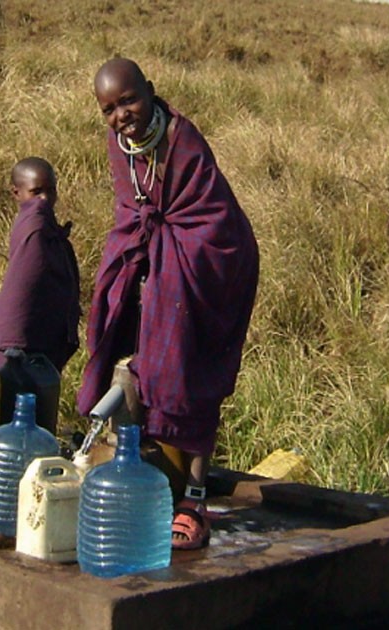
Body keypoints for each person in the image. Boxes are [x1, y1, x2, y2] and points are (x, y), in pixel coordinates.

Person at [77, 58, 259, 551]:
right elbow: (131, 209)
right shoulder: (119, 147)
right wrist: (132, 261)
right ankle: (144, 480)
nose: (122, 116)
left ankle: (194, 499)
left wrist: (163, 258)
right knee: (126, 344)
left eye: (129, 101)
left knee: (193, 368)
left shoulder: (182, 140)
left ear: (151, 92)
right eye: (109, 109)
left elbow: (208, 218)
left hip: (211, 264)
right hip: (156, 258)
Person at [0, 157, 81, 374]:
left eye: (51, 190)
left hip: (41, 347)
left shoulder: (47, 231)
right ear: (16, 193)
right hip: (18, 351)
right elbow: (21, 292)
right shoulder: (34, 227)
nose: (44, 199)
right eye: (36, 191)